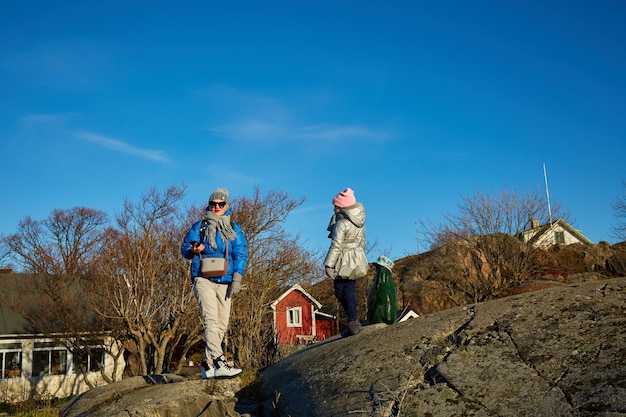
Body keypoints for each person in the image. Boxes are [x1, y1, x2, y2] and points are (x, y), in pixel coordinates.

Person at [181, 188, 248, 379]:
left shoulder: (234, 229)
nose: (216, 207)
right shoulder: (200, 226)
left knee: (221, 325)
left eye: (221, 204)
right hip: (203, 278)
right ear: (209, 205)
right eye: (213, 204)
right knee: (210, 319)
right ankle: (220, 361)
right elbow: (185, 248)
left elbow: (240, 254)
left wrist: (237, 278)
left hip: (225, 280)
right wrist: (194, 249)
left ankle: (207, 364)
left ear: (227, 205)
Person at [323, 187, 369, 336]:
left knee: (341, 290)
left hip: (343, 260)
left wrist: (329, 264)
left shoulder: (341, 224)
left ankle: (352, 321)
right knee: (349, 289)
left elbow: (336, 245)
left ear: (342, 207)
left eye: (336, 206)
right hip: (356, 258)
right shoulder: (359, 222)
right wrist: (360, 257)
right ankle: (353, 321)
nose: (334, 209)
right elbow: (362, 242)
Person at [367, 256, 397, 325]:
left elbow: (381, 291)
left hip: (383, 315)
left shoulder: (383, 272)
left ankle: (380, 317)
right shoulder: (384, 274)